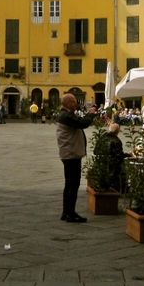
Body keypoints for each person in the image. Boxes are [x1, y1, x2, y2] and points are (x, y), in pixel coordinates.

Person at [55, 94, 96, 223]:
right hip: (71, 154)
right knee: (73, 184)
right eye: (73, 102)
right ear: (67, 103)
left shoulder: (65, 115)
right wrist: (91, 114)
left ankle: (66, 212)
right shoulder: (66, 115)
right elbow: (82, 124)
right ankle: (70, 213)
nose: (76, 104)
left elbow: (79, 122)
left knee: (69, 184)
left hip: (69, 153)